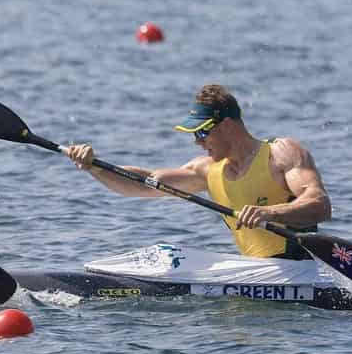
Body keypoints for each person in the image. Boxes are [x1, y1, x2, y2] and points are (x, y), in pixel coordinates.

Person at [66, 84, 330, 260]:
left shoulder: (281, 153)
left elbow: (319, 204)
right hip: (260, 276)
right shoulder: (207, 170)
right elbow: (145, 183)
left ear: (227, 125)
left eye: (202, 132)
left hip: (302, 269)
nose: (197, 141)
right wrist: (93, 165)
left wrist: (270, 212)